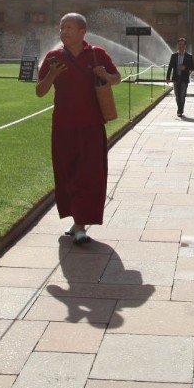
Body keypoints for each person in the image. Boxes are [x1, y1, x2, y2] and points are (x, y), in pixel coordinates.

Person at [36, 13, 121, 245]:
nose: (63, 32)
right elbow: (40, 91)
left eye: (69, 28)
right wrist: (52, 74)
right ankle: (77, 220)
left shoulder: (97, 53)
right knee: (67, 175)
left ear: (82, 31)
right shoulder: (54, 57)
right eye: (62, 27)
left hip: (92, 125)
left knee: (90, 175)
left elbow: (118, 78)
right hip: (63, 126)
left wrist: (105, 75)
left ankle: (81, 225)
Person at [165, 37, 194, 117]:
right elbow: (170, 67)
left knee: (182, 95)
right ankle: (180, 108)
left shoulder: (189, 56)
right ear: (177, 45)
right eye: (179, 44)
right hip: (176, 78)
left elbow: (192, 67)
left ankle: (180, 111)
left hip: (184, 78)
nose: (181, 46)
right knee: (177, 95)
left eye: (182, 44)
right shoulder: (173, 56)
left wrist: (185, 67)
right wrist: (168, 77)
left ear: (185, 46)